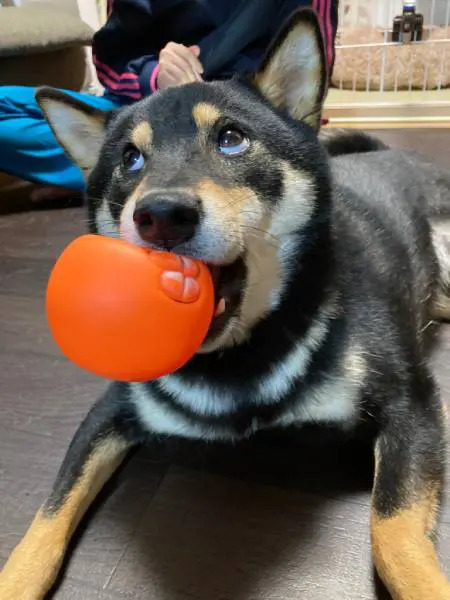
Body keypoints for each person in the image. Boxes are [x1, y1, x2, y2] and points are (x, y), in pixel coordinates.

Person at [0, 0, 338, 198]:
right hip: (138, 104)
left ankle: (118, 168)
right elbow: (111, 55)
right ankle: (112, 167)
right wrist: (153, 76)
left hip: (235, 104)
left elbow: (307, 67)